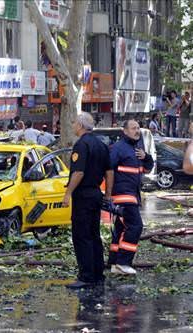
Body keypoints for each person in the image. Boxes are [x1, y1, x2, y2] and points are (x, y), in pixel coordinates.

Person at [62, 112, 114, 289]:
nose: (73, 126)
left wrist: (68, 193)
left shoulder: (81, 145)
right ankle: (98, 274)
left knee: (82, 236)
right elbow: (109, 172)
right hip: (96, 195)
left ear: (81, 126)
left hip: (83, 195)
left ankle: (86, 276)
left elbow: (78, 172)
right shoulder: (101, 145)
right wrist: (108, 195)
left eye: (75, 123)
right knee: (94, 235)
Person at [108, 120, 154, 275]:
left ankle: (114, 263)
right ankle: (123, 262)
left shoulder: (137, 149)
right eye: (134, 128)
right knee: (135, 226)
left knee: (122, 228)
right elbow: (108, 170)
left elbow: (147, 170)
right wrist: (108, 195)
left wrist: (146, 157)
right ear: (125, 131)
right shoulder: (118, 148)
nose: (137, 131)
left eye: (138, 128)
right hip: (123, 196)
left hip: (132, 195)